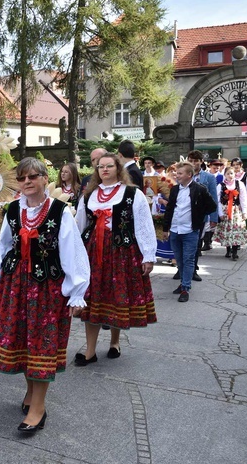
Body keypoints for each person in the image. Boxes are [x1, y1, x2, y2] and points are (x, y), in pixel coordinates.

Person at [0, 157, 90, 433]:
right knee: (23, 339)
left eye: (33, 176)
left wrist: (77, 292)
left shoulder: (60, 212)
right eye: (22, 178)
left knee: (42, 344)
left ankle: (38, 407)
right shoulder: (12, 210)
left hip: (46, 289)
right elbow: (3, 246)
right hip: (16, 286)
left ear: (46, 179)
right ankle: (31, 392)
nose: (27, 182)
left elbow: (73, 253)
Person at [75, 153, 157, 365]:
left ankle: (114, 342)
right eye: (100, 167)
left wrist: (148, 255)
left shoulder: (132, 194)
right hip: (93, 252)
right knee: (91, 301)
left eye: (109, 166)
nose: (104, 170)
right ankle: (90, 351)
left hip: (122, 252)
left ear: (118, 168)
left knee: (116, 297)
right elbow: (79, 225)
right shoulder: (88, 195)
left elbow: (144, 225)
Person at [161, 162, 218, 303]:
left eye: (180, 173)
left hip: (190, 231)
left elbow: (211, 206)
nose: (177, 175)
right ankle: (182, 282)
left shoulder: (200, 189)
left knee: (188, 259)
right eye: (176, 173)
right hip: (175, 230)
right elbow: (170, 210)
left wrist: (198, 216)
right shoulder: (174, 190)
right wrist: (165, 228)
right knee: (179, 259)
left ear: (189, 175)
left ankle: (186, 287)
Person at [185, 150, 219, 272]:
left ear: (201, 162)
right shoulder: (183, 174)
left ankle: (193, 269)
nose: (193, 163)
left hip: (200, 215)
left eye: (196, 161)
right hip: (184, 214)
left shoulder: (208, 177)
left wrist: (214, 218)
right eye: (191, 160)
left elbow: (213, 198)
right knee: (182, 242)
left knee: (196, 242)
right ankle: (182, 268)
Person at [214, 166, 247, 261]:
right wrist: (220, 213)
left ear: (235, 174)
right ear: (224, 175)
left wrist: (244, 212)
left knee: (236, 230)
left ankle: (235, 252)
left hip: (236, 210)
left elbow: (243, 198)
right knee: (227, 231)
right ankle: (228, 250)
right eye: (228, 173)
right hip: (225, 210)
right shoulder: (220, 185)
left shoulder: (239, 184)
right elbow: (217, 200)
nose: (230, 175)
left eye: (232, 173)